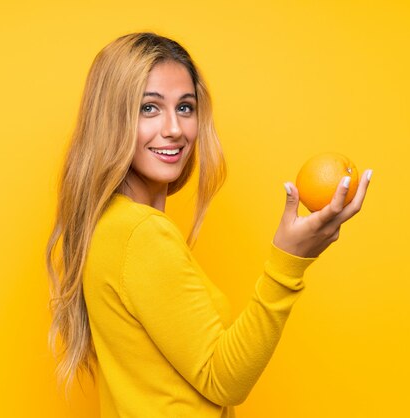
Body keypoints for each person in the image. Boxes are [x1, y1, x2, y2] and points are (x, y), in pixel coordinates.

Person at [46, 32, 372, 418]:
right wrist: (289, 261)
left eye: (185, 107)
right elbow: (224, 378)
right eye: (149, 108)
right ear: (111, 118)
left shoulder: (109, 225)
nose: (174, 129)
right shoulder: (140, 233)